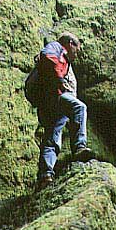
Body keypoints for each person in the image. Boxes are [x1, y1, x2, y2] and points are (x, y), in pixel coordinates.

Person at [36, 32, 94, 188]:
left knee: (51, 137)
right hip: (55, 95)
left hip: (50, 104)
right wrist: (60, 81)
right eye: (77, 49)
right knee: (79, 107)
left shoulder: (66, 62)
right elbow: (48, 57)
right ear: (70, 43)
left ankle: (46, 175)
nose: (77, 54)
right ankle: (79, 147)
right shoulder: (56, 47)